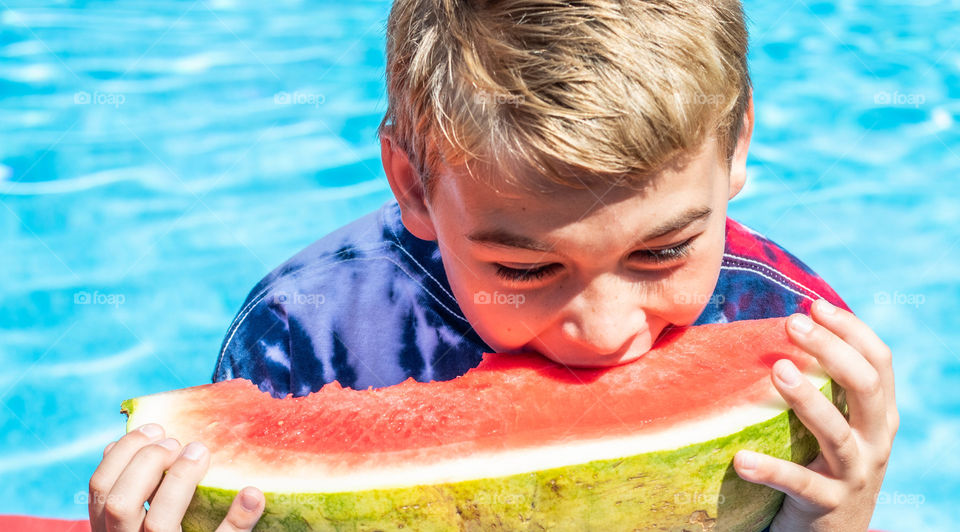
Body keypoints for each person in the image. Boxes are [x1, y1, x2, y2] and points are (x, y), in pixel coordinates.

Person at [87, 1, 898, 530]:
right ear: (411, 182)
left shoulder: (792, 332)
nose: (606, 335)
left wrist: (839, 516)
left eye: (661, 251)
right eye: (523, 270)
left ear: (739, 148)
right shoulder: (301, 336)